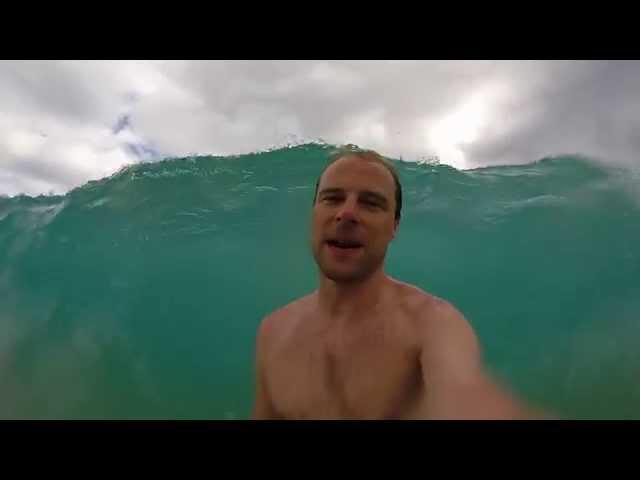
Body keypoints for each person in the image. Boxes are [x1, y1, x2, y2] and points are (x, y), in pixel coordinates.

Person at [253, 147, 542, 419]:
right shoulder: (273, 332)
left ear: (394, 226)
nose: (347, 213)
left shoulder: (431, 324)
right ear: (314, 212)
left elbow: (463, 394)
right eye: (332, 198)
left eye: (370, 203)